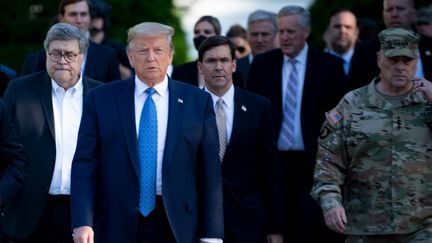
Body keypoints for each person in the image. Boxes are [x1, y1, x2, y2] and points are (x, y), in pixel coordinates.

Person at [70, 22, 223, 243]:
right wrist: (82, 221)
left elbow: (210, 171)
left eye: (158, 50)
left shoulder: (197, 101)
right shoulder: (101, 99)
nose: (151, 57)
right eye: (143, 50)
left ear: (170, 56)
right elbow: (85, 163)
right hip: (115, 220)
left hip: (178, 223)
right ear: (130, 57)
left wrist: (212, 234)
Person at [312, 28, 432, 242]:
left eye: (407, 61)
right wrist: (330, 202)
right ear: (379, 59)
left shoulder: (427, 101)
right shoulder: (351, 104)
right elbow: (328, 161)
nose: (400, 67)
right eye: (393, 60)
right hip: (365, 228)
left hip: (422, 227)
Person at [247, 5, 346, 243]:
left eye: (291, 31)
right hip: (274, 163)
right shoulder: (262, 65)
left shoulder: (329, 66)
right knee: (276, 232)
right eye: (281, 31)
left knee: (311, 231)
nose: (285, 37)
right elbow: (251, 116)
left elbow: (341, 118)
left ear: (306, 31)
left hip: (314, 164)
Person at [2, 23, 102, 243]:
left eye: (69, 54)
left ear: (82, 57)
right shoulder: (20, 91)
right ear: (46, 54)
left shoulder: (102, 95)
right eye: (55, 54)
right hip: (27, 214)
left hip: (84, 216)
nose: (62, 61)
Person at [198, 35, 284, 243]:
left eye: (224, 60)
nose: (218, 67)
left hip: (247, 221)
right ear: (200, 67)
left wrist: (275, 227)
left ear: (234, 65)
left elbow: (269, 171)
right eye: (211, 61)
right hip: (199, 221)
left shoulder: (258, 107)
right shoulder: (185, 107)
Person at [21, 0, 120, 83]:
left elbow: (114, 95)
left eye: (83, 14)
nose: (79, 20)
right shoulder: (37, 58)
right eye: (73, 14)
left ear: (90, 18)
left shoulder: (108, 56)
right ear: (61, 18)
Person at [349, 0, 432, 91]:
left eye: (400, 9)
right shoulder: (365, 51)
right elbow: (355, 89)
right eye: (389, 9)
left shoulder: (429, 45)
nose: (394, 14)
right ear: (383, 14)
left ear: (413, 14)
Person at [90, 1, 132, 80]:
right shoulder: (79, 47)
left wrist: (109, 59)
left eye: (98, 17)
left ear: (104, 19)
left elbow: (129, 76)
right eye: (91, 17)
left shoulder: (117, 49)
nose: (93, 21)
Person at [236, 10, 278, 82]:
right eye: (254, 34)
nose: (259, 40)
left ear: (275, 35)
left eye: (264, 34)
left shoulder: (285, 67)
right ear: (247, 36)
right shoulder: (234, 68)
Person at [323, 9, 359, 75]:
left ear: (356, 33)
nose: (342, 31)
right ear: (327, 32)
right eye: (337, 26)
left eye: (348, 27)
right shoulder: (311, 64)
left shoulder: (370, 64)